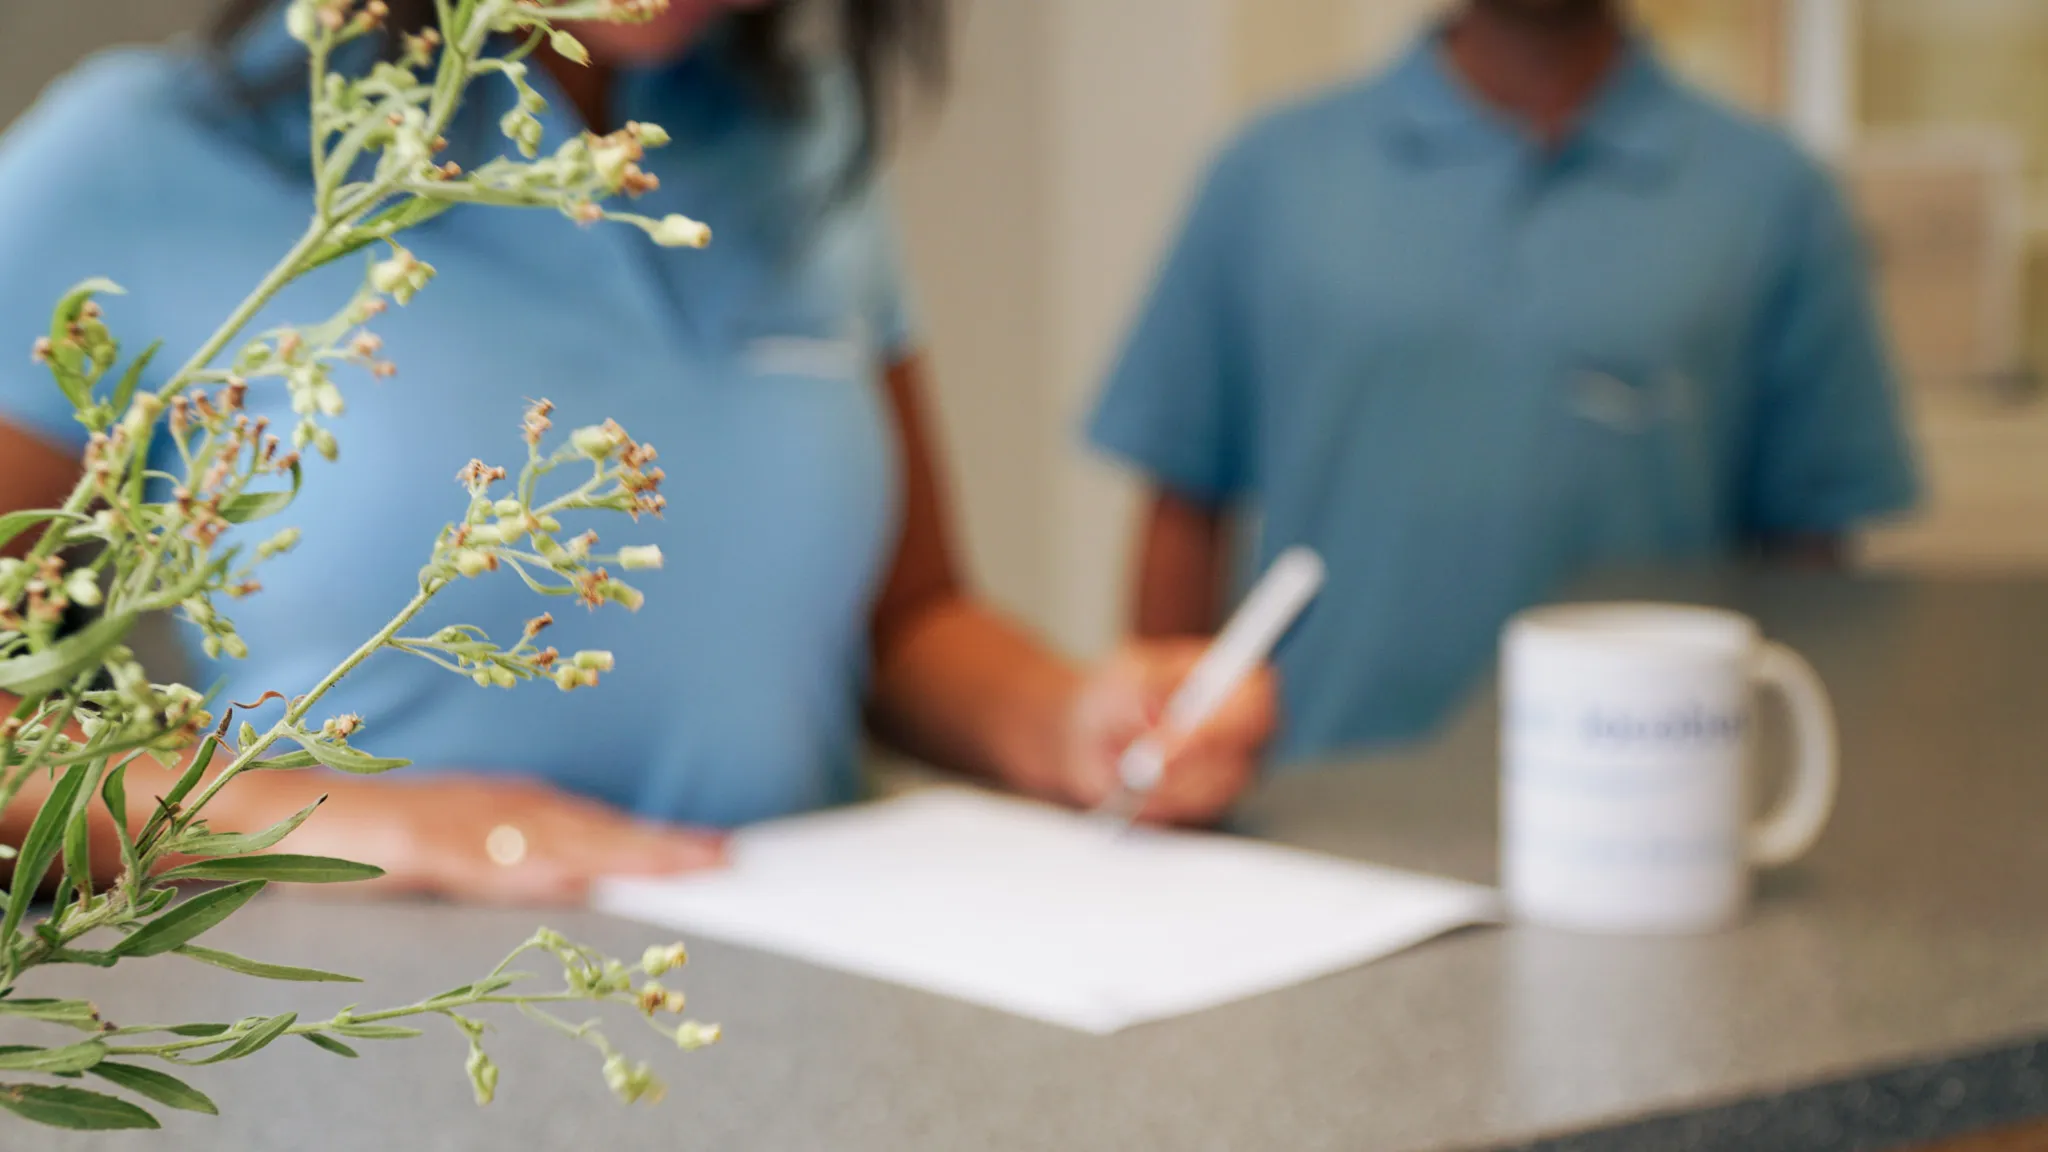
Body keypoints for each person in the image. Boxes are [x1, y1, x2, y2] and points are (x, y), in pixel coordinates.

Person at [0, 0, 1276, 903]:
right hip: (375, 1025)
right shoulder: (137, 162)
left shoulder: (799, 135)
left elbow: (906, 620)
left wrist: (1072, 720)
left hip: (819, 998)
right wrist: (321, 826)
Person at [1085, 0, 1919, 764]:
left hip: (1642, 812)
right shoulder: (1269, 176)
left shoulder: (1774, 196)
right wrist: (1168, 771)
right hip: (1317, 801)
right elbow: (1183, 500)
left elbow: (1812, 563)